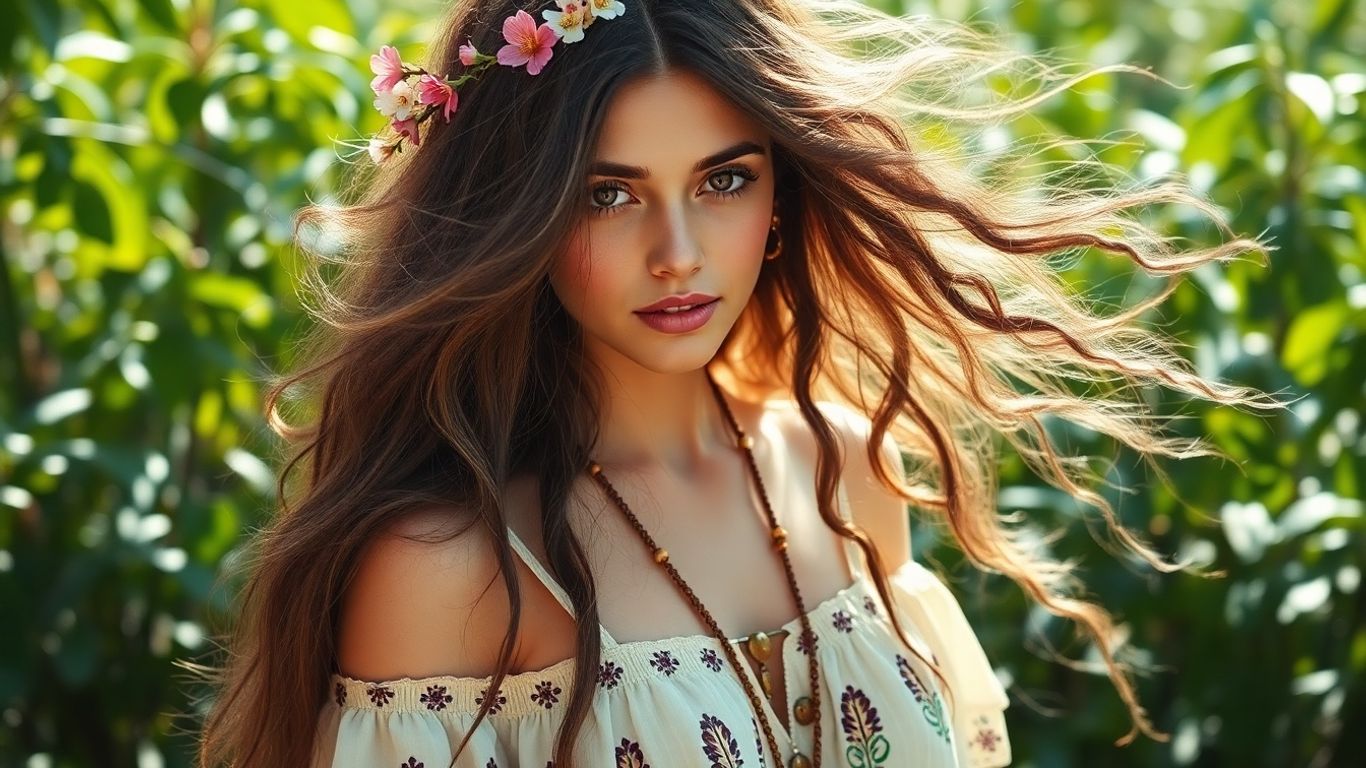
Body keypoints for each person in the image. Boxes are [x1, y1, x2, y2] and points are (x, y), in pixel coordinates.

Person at [192, 1, 1279, 766]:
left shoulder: (842, 466)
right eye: (607, 196)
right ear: (512, 215)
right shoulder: (455, 565)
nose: (678, 253)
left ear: (779, 196)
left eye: (722, 181)